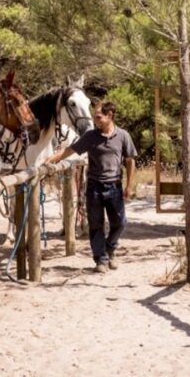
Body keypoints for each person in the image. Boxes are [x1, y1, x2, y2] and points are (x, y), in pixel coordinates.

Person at [47, 101, 137, 273]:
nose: (95, 120)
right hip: (94, 186)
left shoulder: (123, 136)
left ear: (109, 116)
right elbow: (70, 150)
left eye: (98, 116)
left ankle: (110, 248)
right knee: (96, 224)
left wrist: (129, 186)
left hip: (115, 186)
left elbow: (130, 161)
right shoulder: (90, 136)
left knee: (120, 222)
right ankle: (101, 260)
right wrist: (52, 159)